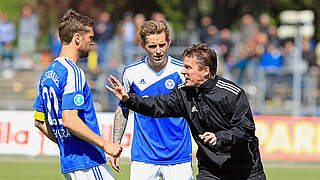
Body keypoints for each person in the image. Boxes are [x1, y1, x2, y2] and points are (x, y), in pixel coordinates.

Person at [107, 43, 266, 180]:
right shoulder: (183, 93)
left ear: (205, 71)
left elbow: (246, 130)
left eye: (188, 68)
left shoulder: (232, 93)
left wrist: (220, 137)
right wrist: (129, 99)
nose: (183, 71)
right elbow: (158, 105)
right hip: (210, 169)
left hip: (244, 168)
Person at [33, 10, 122, 180]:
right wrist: (105, 145)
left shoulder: (47, 74)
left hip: (69, 164)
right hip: (87, 161)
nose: (93, 43)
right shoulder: (73, 72)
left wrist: (65, 144)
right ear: (77, 38)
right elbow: (70, 120)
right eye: (90, 38)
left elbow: (39, 120)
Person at [109, 20, 193, 180]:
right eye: (152, 46)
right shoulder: (131, 73)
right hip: (143, 157)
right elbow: (122, 109)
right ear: (142, 46)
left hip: (178, 156)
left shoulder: (181, 72)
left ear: (168, 43)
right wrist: (115, 144)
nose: (158, 51)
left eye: (162, 45)